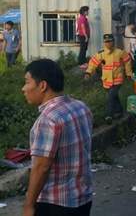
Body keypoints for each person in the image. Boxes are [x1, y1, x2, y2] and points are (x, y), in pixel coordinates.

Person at [22, 59, 93, 216]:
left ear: (42, 86)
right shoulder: (81, 107)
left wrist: (28, 205)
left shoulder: (48, 120)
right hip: (83, 199)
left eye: (27, 82)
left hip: (55, 204)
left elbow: (42, 167)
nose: (23, 88)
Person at [84, 33, 133, 124]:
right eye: (106, 42)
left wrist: (128, 74)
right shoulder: (101, 54)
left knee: (111, 96)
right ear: (104, 43)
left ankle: (109, 115)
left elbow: (127, 63)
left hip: (117, 79)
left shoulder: (120, 52)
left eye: (110, 41)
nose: (108, 44)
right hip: (106, 81)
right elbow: (93, 64)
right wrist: (88, 72)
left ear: (113, 41)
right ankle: (120, 110)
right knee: (114, 96)